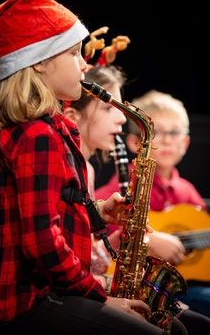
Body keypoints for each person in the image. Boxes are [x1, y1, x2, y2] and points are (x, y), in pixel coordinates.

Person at [0, 0, 184, 335]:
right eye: (72, 53)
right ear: (38, 62)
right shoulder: (37, 135)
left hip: (52, 294)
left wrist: (99, 211)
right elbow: (41, 242)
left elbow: (52, 209)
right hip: (30, 304)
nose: (84, 65)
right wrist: (100, 295)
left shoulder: (54, 129)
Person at [64, 64, 210, 333]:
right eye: (110, 108)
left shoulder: (89, 170)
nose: (121, 119)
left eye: (175, 133)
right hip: (78, 291)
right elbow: (64, 251)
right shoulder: (67, 167)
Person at [95, 90, 210, 319]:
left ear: (185, 143)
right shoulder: (120, 187)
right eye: (159, 132)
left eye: (174, 132)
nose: (167, 139)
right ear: (136, 142)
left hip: (181, 286)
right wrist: (151, 240)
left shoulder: (188, 192)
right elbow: (94, 232)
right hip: (139, 288)